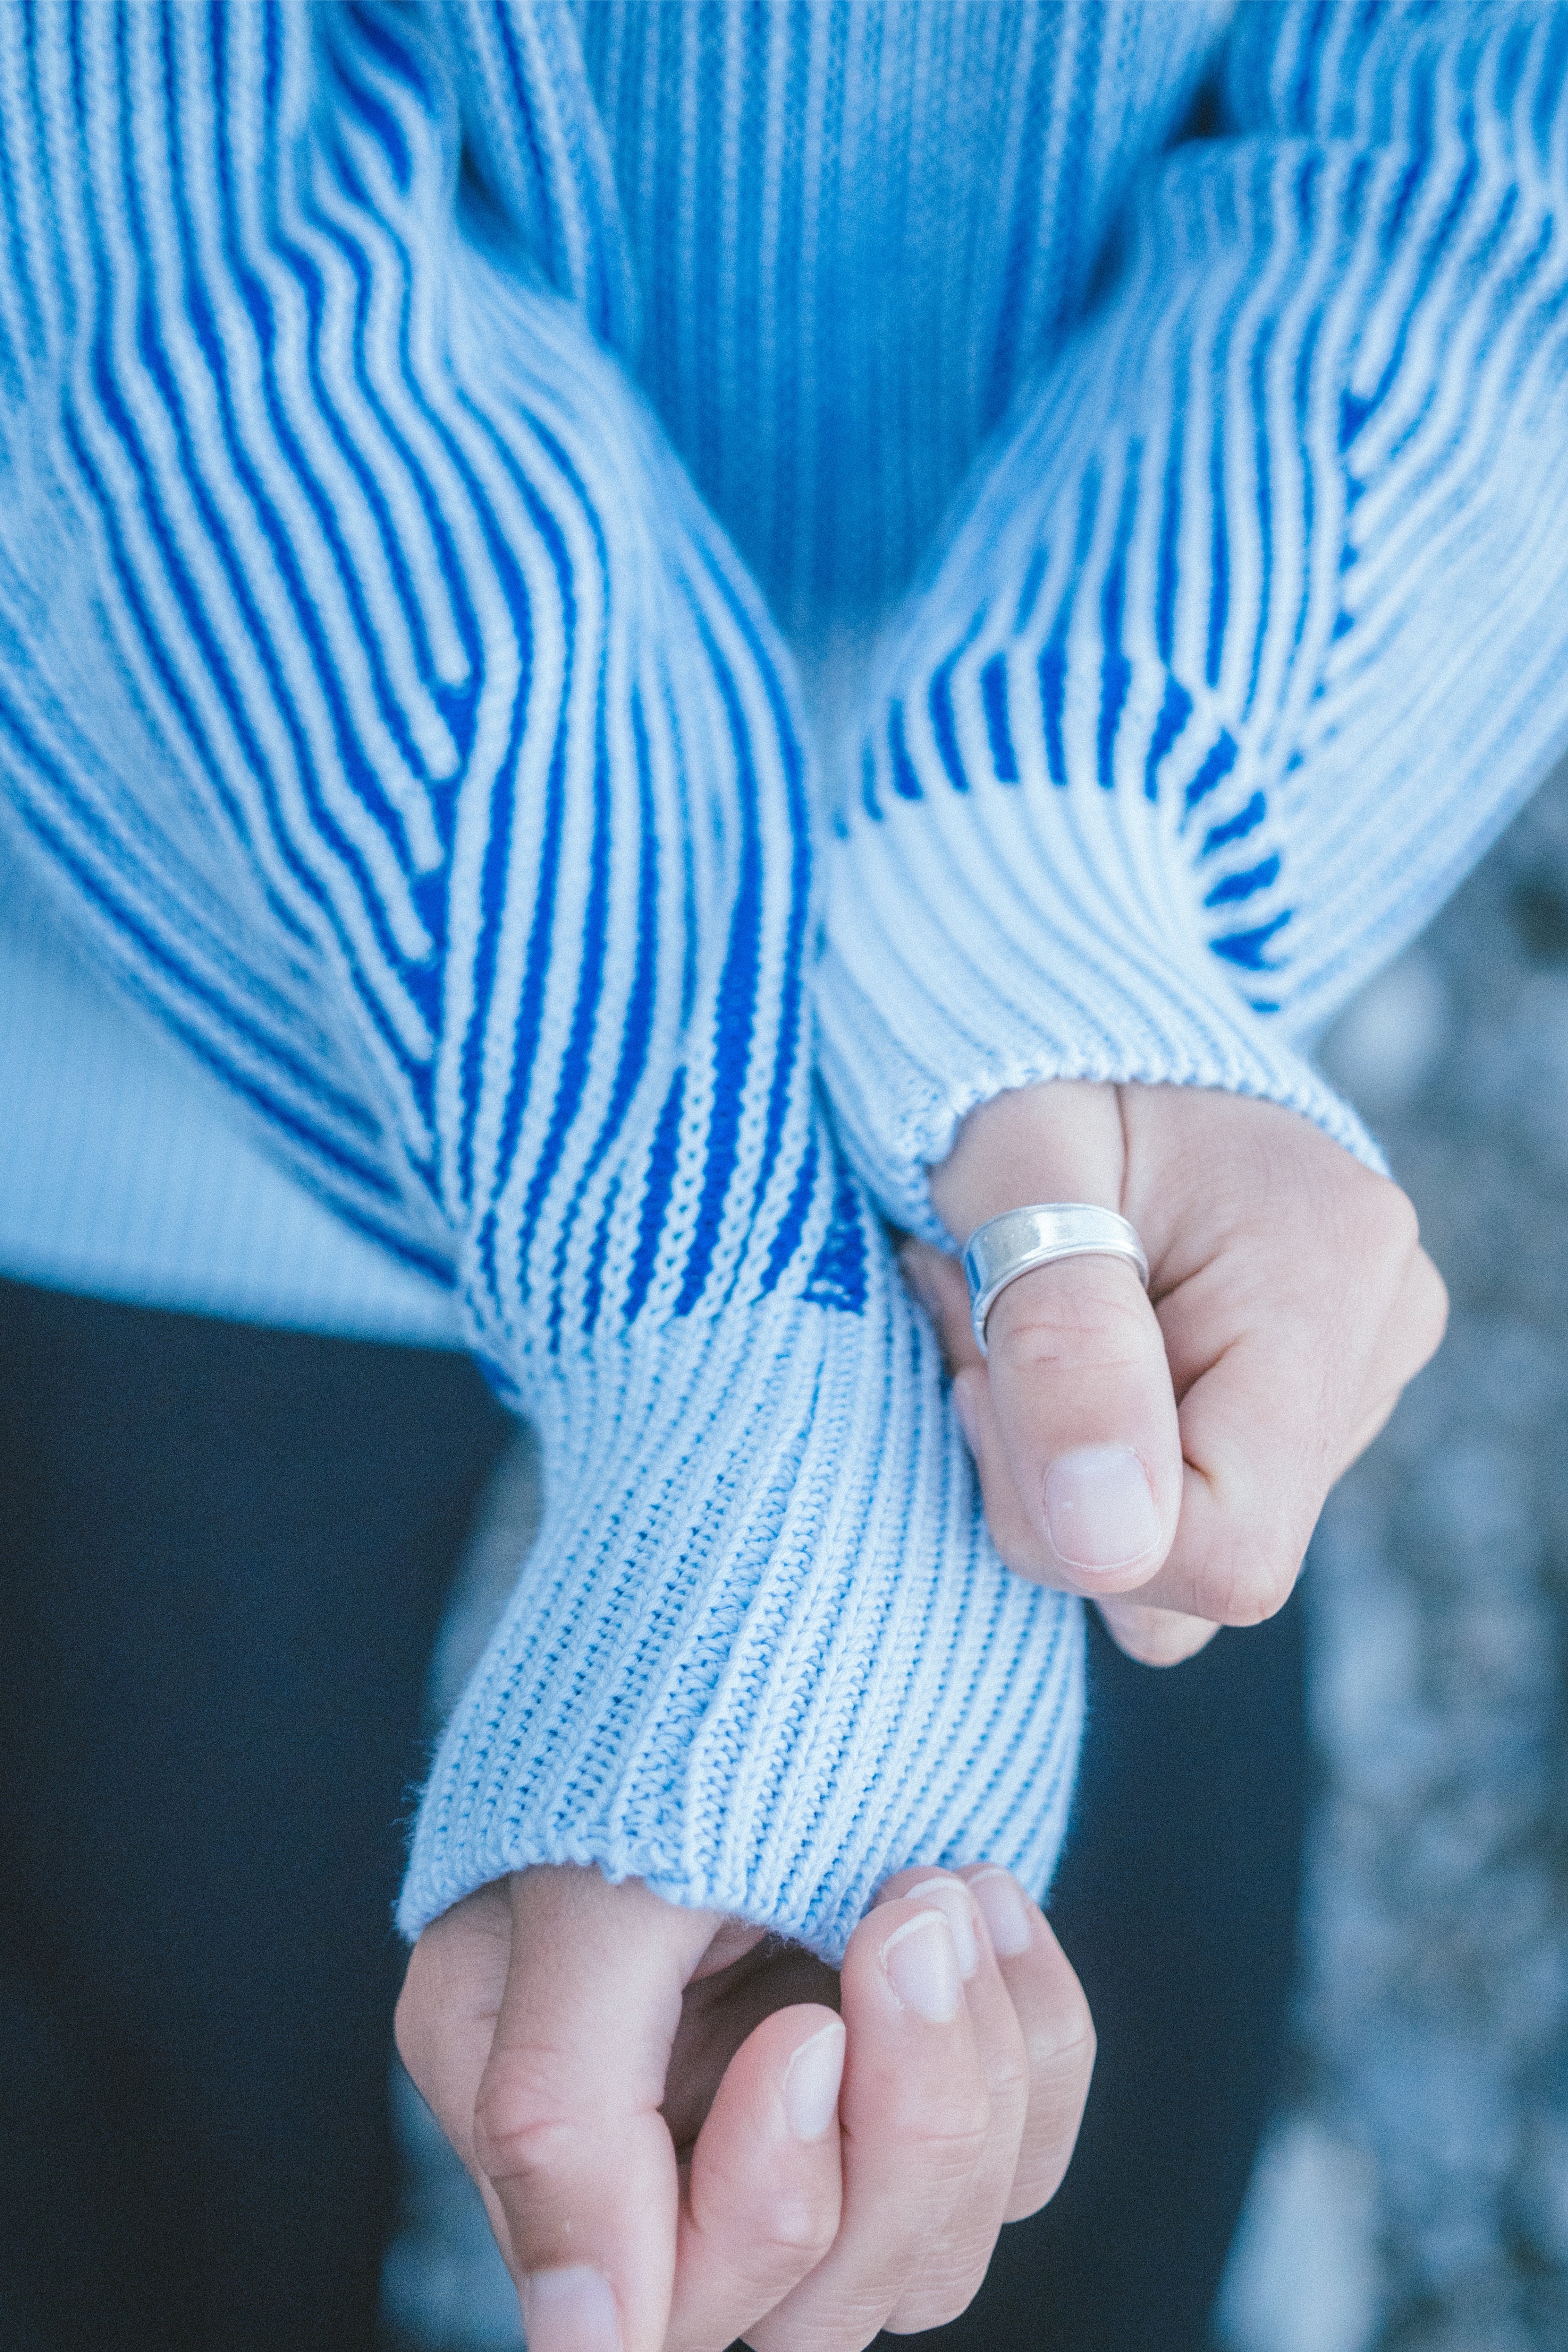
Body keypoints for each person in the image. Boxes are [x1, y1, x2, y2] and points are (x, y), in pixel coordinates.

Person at [0, 4, 1562, 2347]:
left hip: (1117, 1047)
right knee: (138, 2124)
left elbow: (1487, 143)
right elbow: (117, 191)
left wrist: (1062, 881)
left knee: (1055, 2180)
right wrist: (716, 1281)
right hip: (198, 932)